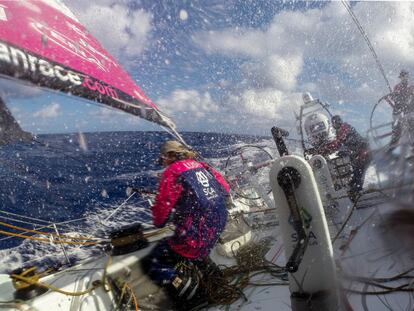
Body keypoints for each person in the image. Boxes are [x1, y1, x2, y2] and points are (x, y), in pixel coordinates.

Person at [142, 140, 230, 310]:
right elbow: (225, 189)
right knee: (197, 250)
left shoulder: (172, 172)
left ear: (170, 156)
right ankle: (218, 282)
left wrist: (162, 208)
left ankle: (194, 299)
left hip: (196, 231)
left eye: (164, 158)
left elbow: (160, 218)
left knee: (154, 262)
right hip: (218, 224)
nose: (164, 163)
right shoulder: (201, 165)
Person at [330, 115, 371, 201]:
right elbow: (340, 144)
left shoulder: (345, 128)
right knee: (356, 174)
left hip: (364, 153)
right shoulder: (340, 131)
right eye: (334, 124)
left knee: (359, 172)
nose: (335, 125)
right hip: (359, 155)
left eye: (336, 123)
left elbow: (338, 142)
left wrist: (326, 148)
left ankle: (357, 193)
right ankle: (352, 191)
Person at [388, 70, 414, 149]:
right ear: (401, 77)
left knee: (411, 127)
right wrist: (394, 96)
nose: (404, 78)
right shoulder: (397, 87)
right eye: (402, 76)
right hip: (398, 111)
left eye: (405, 76)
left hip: (409, 111)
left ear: (407, 77)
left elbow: (412, 98)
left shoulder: (411, 87)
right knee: (397, 128)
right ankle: (392, 146)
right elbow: (393, 98)